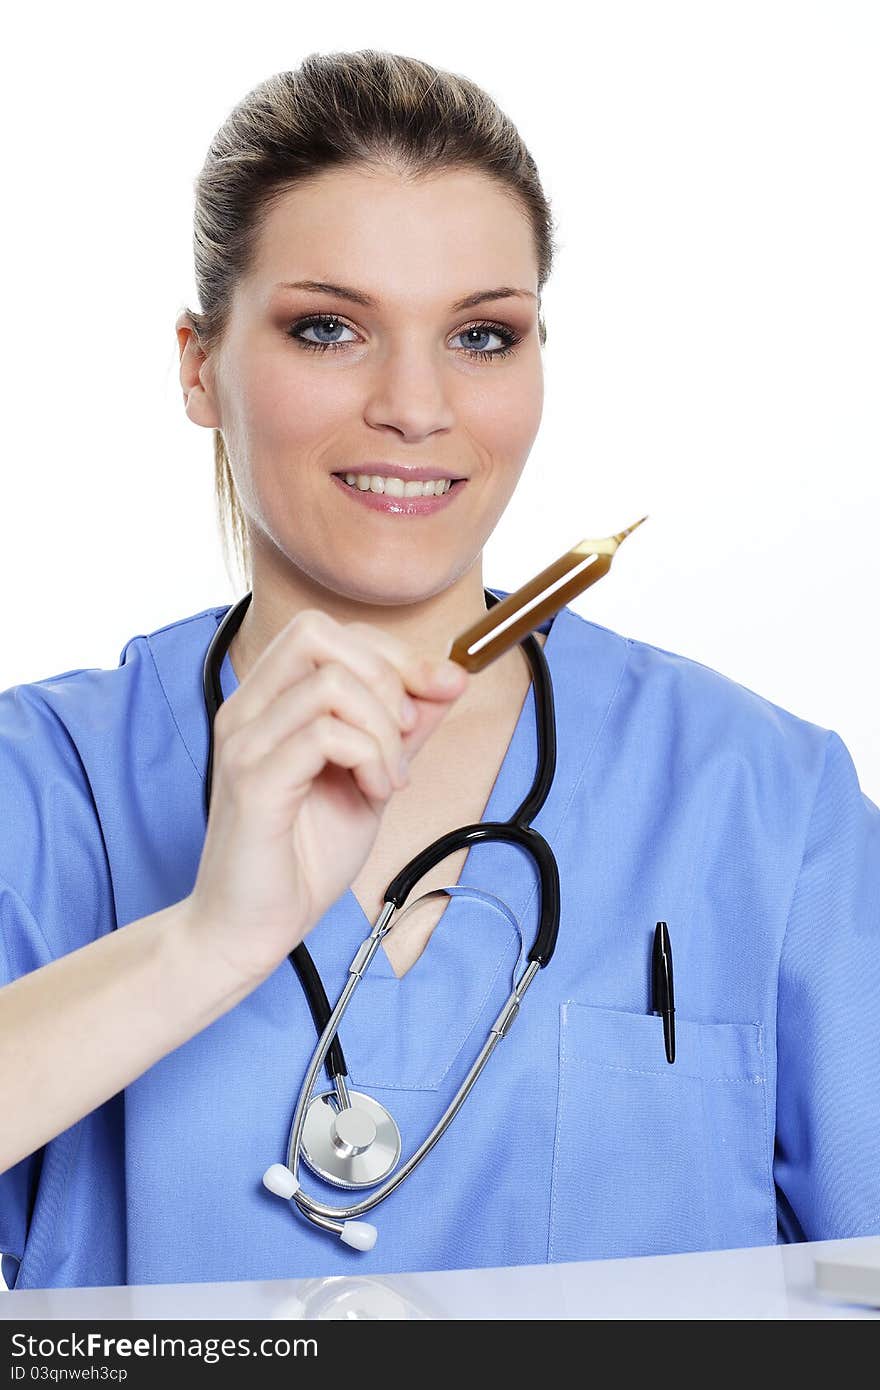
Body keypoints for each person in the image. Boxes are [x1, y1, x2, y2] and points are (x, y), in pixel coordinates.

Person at [1, 49, 878, 1295]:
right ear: (199, 366)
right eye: (328, 328)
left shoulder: (763, 799)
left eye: (480, 335)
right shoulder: (44, 789)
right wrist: (205, 943)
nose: (415, 405)